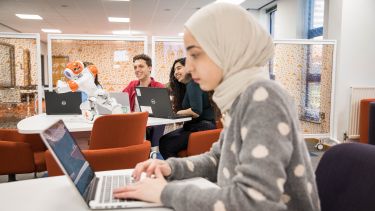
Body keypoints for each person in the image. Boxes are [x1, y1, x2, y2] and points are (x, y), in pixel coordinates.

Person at [113, 3, 320, 211]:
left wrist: (164, 193)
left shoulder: (263, 97)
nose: (190, 67)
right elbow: (217, 159)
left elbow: (253, 202)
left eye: (195, 55)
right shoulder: (239, 98)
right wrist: (170, 167)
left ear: (226, 49)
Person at [158, 57, 216, 159]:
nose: (176, 72)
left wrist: (179, 112)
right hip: (198, 125)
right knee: (163, 140)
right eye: (174, 70)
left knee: (165, 143)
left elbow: (196, 111)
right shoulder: (190, 85)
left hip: (203, 127)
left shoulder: (193, 83)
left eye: (179, 68)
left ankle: (178, 171)